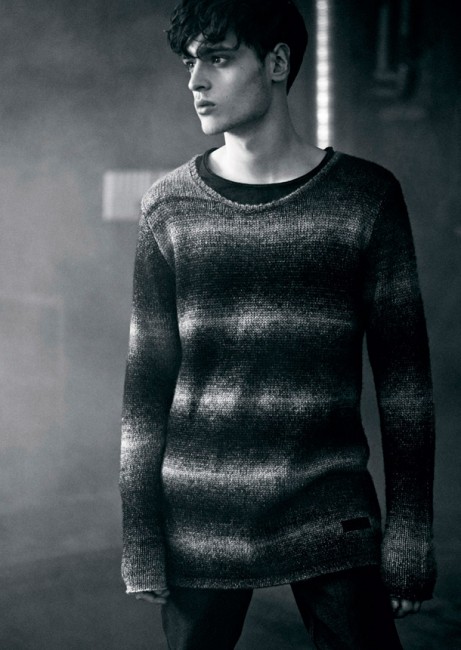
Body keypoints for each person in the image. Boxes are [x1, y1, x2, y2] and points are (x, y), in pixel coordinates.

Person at [119, 0, 436, 647]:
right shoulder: (168, 208)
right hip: (200, 513)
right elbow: (145, 389)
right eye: (190, 63)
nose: (195, 81)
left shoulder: (364, 198)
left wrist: (409, 535)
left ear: (277, 62)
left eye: (217, 58)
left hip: (329, 506)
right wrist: (140, 537)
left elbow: (405, 385)